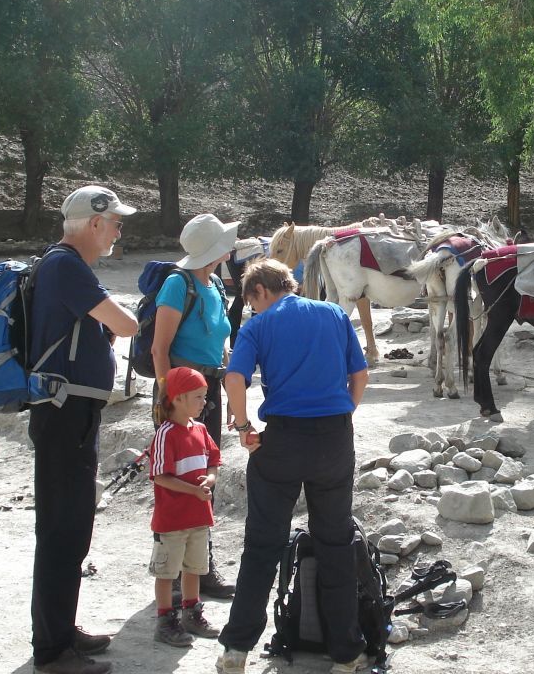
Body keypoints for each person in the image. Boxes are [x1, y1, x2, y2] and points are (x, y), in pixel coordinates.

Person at [215, 259, 370, 674]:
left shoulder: (258, 326)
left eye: (252, 302)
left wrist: (245, 426)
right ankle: (346, 653)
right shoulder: (334, 313)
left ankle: (236, 650)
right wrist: (344, 416)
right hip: (334, 439)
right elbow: (360, 373)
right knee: (336, 544)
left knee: (262, 546)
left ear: (260, 291)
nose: (253, 309)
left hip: (281, 440)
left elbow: (235, 378)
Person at [29, 185, 140, 674]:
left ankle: (60, 630)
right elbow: (127, 324)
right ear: (94, 223)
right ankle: (53, 651)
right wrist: (119, 315)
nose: (119, 230)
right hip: (64, 413)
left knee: (71, 525)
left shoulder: (61, 265)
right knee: (63, 528)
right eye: (116, 222)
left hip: (69, 412)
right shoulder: (66, 266)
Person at [151, 213, 239, 600]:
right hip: (181, 395)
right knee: (175, 479)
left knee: (203, 474)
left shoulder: (216, 284)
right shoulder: (177, 284)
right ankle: (170, 574)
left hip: (208, 389)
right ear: (215, 250)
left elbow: (221, 339)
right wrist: (172, 401)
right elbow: (159, 348)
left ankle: (200, 567)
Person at [149, 367, 223, 646]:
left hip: (198, 517)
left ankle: (191, 613)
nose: (205, 402)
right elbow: (160, 476)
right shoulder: (166, 433)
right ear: (178, 398)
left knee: (194, 568)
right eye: (199, 396)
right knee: (167, 572)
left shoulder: (201, 430)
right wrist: (193, 490)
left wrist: (211, 478)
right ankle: (165, 620)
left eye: (205, 396)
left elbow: (214, 460)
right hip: (172, 520)